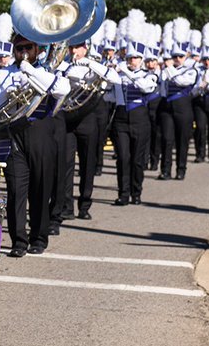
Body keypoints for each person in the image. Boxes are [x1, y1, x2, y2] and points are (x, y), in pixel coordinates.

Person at [0, 33, 69, 255]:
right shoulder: (1, 74)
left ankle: (39, 237)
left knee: (41, 188)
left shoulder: (47, 71)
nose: (23, 52)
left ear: (37, 49)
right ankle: (18, 241)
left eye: (28, 48)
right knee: (16, 189)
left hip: (41, 131)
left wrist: (31, 72)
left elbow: (63, 89)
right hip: (14, 134)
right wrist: (6, 94)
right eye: (19, 48)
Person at [60, 41, 115, 219]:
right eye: (71, 47)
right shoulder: (63, 64)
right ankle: (67, 206)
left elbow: (114, 78)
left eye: (78, 47)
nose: (74, 51)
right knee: (66, 164)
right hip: (67, 119)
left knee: (87, 163)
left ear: (86, 48)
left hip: (87, 119)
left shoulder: (93, 66)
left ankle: (84, 205)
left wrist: (90, 63)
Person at [110, 38, 156, 205]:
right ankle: (123, 193)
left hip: (140, 119)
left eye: (136, 58)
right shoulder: (119, 74)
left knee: (137, 159)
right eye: (130, 58)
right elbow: (109, 94)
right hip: (121, 119)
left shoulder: (149, 75)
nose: (132, 61)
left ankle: (136, 193)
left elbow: (145, 87)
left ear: (141, 59)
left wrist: (126, 72)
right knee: (123, 157)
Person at [158, 40, 197, 181]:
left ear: (186, 56)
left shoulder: (191, 70)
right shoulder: (166, 69)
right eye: (175, 57)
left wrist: (169, 68)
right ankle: (165, 170)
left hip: (183, 107)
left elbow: (181, 82)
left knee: (182, 140)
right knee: (167, 139)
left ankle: (181, 169)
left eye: (181, 56)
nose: (178, 59)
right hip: (167, 107)